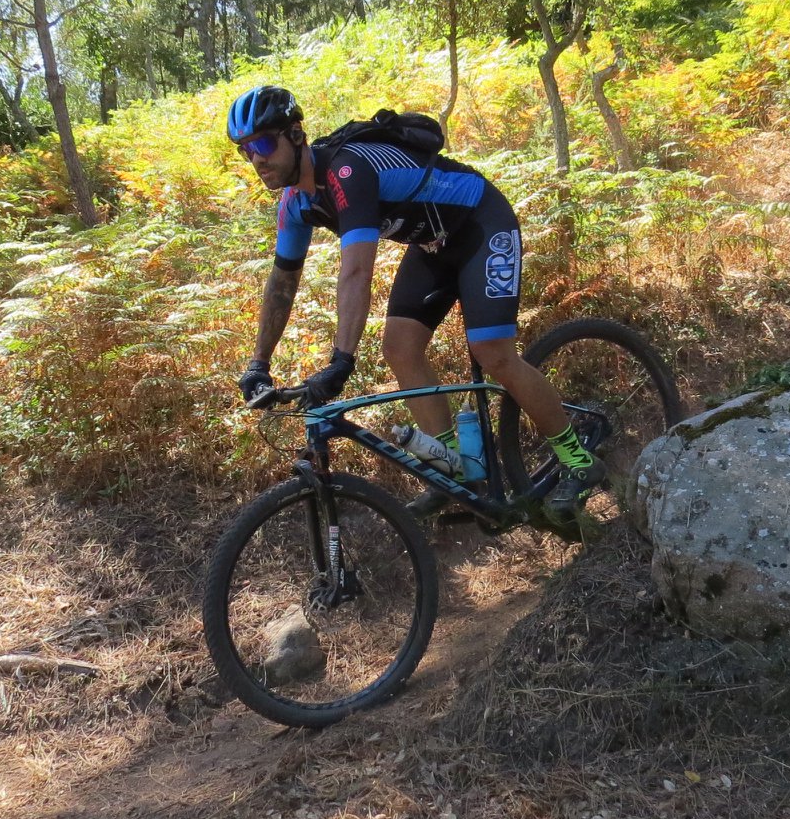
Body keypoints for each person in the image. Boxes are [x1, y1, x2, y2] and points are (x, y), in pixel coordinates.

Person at [226, 84, 598, 519]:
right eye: (246, 151)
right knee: (400, 348)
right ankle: (454, 470)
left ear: (295, 135)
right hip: (433, 244)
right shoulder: (295, 203)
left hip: (481, 222)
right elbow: (282, 284)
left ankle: (578, 458)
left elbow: (356, 271)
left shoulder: (347, 171)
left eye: (263, 144)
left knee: (492, 351)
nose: (256, 159)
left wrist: (341, 361)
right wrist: (258, 363)